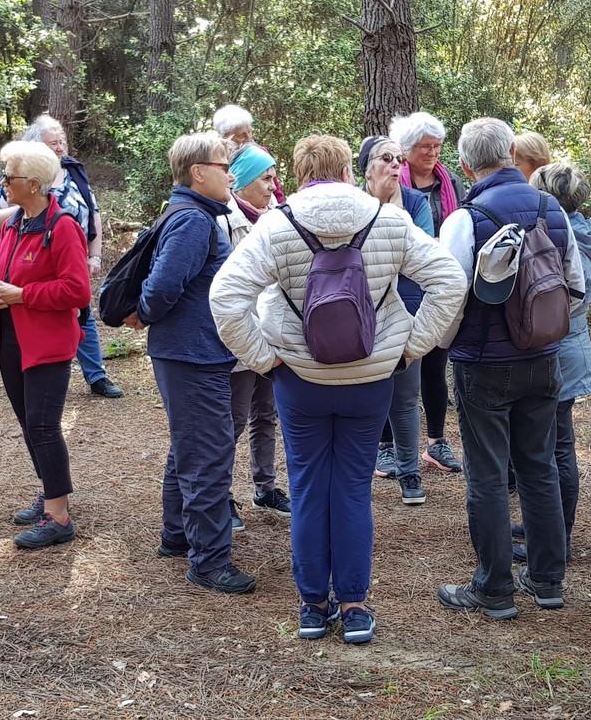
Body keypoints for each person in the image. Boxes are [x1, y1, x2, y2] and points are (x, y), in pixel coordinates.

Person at [210, 134, 465, 644]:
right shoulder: (387, 219)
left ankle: (311, 606)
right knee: (351, 489)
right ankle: (353, 607)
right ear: (350, 168)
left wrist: (265, 358)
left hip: (299, 380)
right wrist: (410, 346)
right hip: (371, 380)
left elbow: (226, 296)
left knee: (306, 489)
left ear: (300, 172)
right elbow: (450, 280)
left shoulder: (276, 225)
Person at [435, 118, 583, 621]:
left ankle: (493, 587)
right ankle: (547, 580)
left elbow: (449, 295)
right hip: (544, 361)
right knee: (539, 467)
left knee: (488, 474)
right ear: (512, 153)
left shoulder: (465, 217)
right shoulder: (553, 208)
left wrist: (447, 344)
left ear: (464, 165)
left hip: (483, 364)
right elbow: (576, 287)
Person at [127, 132, 255, 594]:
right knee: (208, 453)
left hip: (191, 351)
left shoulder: (191, 214)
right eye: (225, 166)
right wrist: (144, 313)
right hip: (191, 352)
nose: (231, 174)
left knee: (191, 445)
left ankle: (178, 536)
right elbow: (162, 288)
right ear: (199, 172)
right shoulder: (194, 221)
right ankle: (209, 561)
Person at [0, 140, 92, 549]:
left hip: (47, 343)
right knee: (31, 424)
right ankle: (51, 492)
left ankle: (59, 516)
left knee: (44, 426)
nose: (3, 183)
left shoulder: (62, 227)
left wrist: (22, 295)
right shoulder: (14, 222)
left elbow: (78, 290)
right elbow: (1, 270)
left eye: (8, 177)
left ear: (32, 183)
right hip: (11, 339)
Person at [0, 116, 123, 400]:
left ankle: (96, 375)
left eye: (62, 141)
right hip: (26, 293)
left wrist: (95, 254)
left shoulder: (73, 175)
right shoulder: (14, 215)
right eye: (53, 143)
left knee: (82, 317)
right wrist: (27, 213)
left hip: (67, 262)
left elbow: (94, 213)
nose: (61, 147)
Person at [510, 160, 591, 563]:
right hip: (571, 350)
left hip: (558, 353)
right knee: (553, 445)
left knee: (555, 448)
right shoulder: (580, 232)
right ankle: (544, 526)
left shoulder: (561, 236)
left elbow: (571, 299)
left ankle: (555, 536)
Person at [360, 136, 437, 505]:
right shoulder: (351, 204)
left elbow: (422, 253)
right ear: (367, 167)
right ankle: (358, 471)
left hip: (405, 311)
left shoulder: (416, 203)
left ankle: (409, 473)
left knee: (405, 398)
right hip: (356, 313)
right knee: (359, 395)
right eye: (386, 158)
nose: (395, 165)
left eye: (398, 159)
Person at [390, 111, 468, 473]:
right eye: (425, 147)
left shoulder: (450, 181)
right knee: (397, 363)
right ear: (407, 150)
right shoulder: (394, 184)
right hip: (401, 284)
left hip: (439, 285)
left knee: (436, 365)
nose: (433, 152)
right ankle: (389, 444)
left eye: (437, 146)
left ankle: (436, 442)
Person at [222, 144, 291, 526]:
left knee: (267, 415)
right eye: (265, 178)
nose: (273, 185)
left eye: (273, 177)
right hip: (242, 339)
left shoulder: (278, 218)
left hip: (272, 339)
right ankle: (223, 496)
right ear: (244, 181)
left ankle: (266, 487)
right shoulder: (226, 220)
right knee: (234, 420)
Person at [213, 104, 287, 204]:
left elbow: (276, 188)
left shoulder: (259, 153)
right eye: (242, 135)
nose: (249, 138)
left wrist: (281, 206)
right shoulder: (215, 158)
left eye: (249, 132)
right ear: (225, 137)